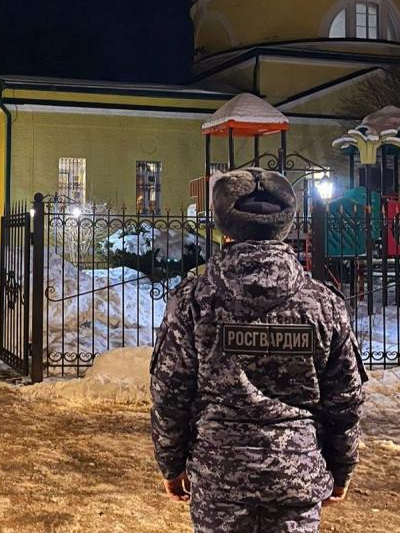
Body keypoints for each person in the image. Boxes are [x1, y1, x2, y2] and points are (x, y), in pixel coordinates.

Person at [150, 167, 367, 532]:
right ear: (285, 222)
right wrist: (340, 469)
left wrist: (172, 466)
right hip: (294, 477)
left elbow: (170, 394)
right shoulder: (322, 305)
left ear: (224, 225)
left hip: (221, 479)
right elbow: (345, 400)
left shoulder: (194, 300)